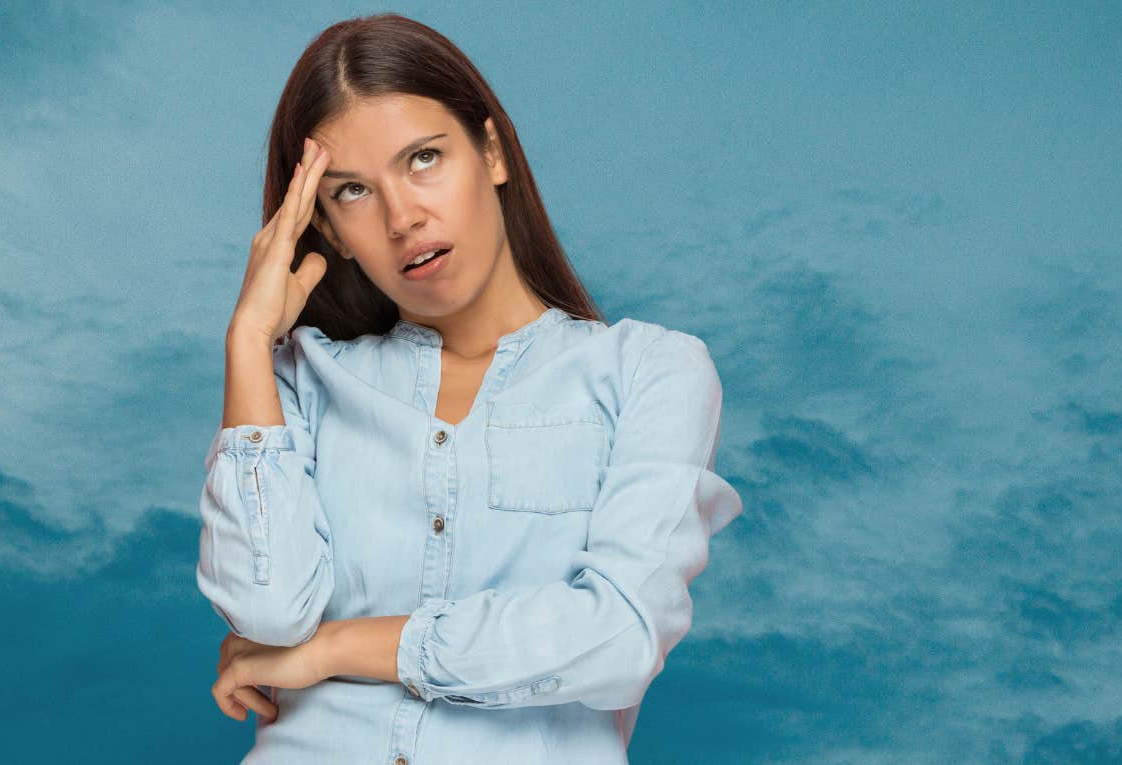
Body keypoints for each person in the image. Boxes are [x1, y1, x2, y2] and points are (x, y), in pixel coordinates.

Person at [196, 12, 742, 764]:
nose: (402, 216)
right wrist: (249, 344)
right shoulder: (302, 378)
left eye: (423, 159)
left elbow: (618, 635)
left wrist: (336, 650)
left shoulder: (649, 372)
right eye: (353, 191)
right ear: (323, 226)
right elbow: (266, 611)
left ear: (490, 150)